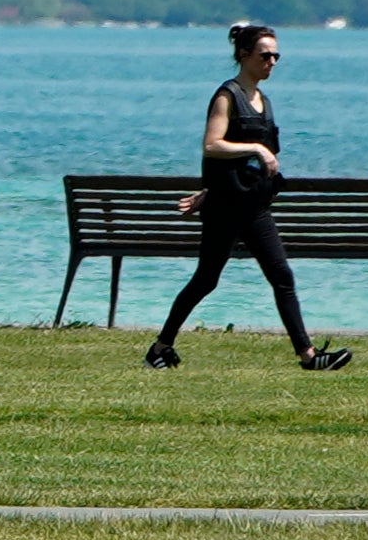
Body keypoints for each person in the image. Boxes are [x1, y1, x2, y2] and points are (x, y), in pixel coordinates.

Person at [144, 19, 353, 372]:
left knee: (281, 276)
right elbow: (212, 145)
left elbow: (246, 164)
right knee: (205, 280)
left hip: (254, 206)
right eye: (264, 55)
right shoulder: (228, 96)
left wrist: (214, 185)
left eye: (276, 56)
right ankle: (160, 348)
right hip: (227, 209)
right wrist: (255, 149)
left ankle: (309, 356)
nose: (271, 62)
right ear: (244, 55)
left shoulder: (263, 101)